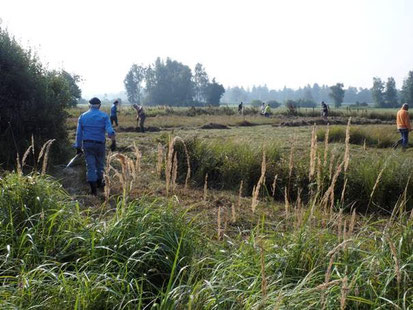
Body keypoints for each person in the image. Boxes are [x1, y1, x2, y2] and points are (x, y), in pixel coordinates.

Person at [74, 97, 116, 195]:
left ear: (89, 105)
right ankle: (99, 183)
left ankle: (93, 190)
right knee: (100, 165)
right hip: (100, 144)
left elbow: (79, 133)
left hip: (87, 144)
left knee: (90, 166)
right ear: (99, 106)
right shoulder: (104, 116)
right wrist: (113, 142)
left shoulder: (82, 116)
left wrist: (78, 147)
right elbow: (110, 131)